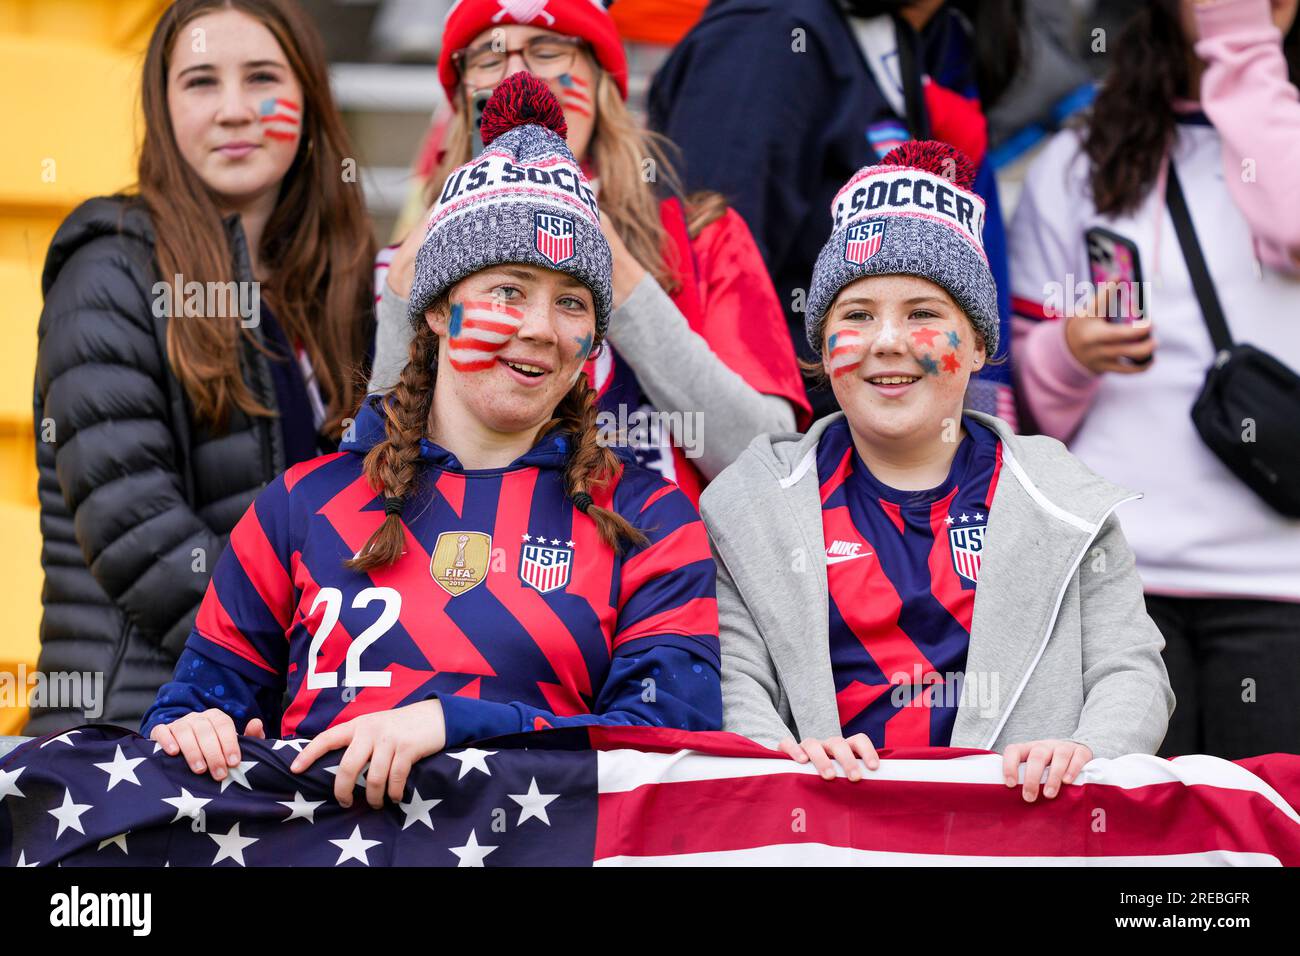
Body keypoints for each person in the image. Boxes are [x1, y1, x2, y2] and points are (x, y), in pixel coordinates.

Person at [141, 76, 723, 809]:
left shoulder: (654, 522)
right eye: (508, 290)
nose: (541, 326)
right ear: (441, 310)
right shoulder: (301, 502)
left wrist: (455, 724)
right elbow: (189, 706)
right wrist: (193, 727)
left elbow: (672, 747)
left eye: (571, 302)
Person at [702, 142, 1173, 802]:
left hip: (1021, 840)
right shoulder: (749, 502)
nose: (887, 341)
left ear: (979, 343)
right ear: (821, 342)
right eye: (857, 315)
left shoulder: (1065, 498)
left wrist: (1088, 753)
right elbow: (731, 675)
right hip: (827, 840)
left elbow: (1132, 670)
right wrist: (779, 754)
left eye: (923, 313)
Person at [28, 0, 374, 736]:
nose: (234, 110)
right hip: (130, 733)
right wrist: (322, 659)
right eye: (200, 82)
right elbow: (141, 541)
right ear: (163, 106)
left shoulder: (331, 284)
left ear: (310, 98)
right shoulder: (109, 271)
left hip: (277, 726)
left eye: (262, 78)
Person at [371, 0, 810, 506]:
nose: (518, 77)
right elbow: (375, 472)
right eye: (489, 59)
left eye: (547, 48)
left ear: (602, 83)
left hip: (672, 571)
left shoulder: (702, 237)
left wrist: (617, 275)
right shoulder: (402, 263)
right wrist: (406, 293)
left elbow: (767, 464)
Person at [1009, 0, 1300, 760]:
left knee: (1269, 839)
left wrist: (1237, 38)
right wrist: (1071, 353)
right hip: (1117, 576)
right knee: (1139, 850)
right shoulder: (1077, 162)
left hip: (1280, 583)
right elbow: (1025, 407)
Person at [650, 0, 1023, 422]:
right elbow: (699, 276)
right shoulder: (768, 35)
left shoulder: (891, 34)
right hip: (785, 446)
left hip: (864, 438)